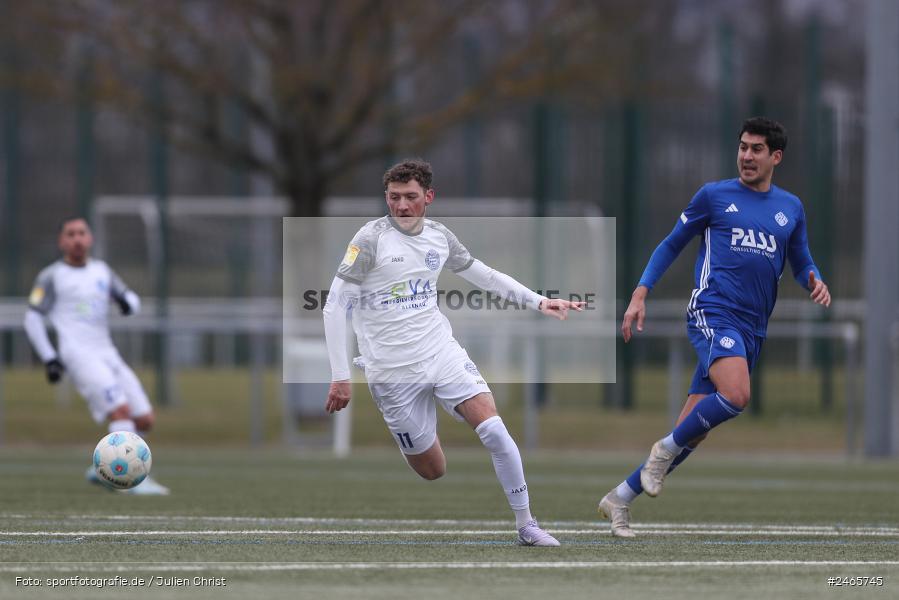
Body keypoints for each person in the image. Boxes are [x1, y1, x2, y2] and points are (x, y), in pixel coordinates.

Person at [322, 159, 583, 546]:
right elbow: (334, 306)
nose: (402, 205)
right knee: (433, 469)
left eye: (411, 197)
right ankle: (422, 428)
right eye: (394, 197)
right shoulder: (370, 240)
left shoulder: (439, 237)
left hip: (440, 352)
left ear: (428, 196)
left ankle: (526, 524)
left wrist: (539, 301)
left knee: (494, 429)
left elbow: (485, 275)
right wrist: (340, 376)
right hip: (391, 371)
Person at [598, 117, 831, 537]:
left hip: (753, 328)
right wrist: (640, 292)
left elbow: (801, 260)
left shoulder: (791, 208)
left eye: (757, 149)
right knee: (737, 394)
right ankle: (661, 451)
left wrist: (814, 280)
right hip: (714, 311)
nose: (747, 156)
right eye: (743, 147)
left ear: (776, 157)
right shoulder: (714, 196)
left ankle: (620, 497)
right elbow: (671, 243)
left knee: (693, 431)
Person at [24, 217, 170, 495]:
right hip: (78, 354)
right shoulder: (51, 276)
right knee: (120, 411)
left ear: (90, 239)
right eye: (71, 234)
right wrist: (49, 358)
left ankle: (102, 467)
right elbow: (32, 318)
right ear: (62, 241)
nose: (77, 239)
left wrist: (128, 304)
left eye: (82, 233)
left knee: (145, 419)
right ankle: (125, 482)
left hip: (106, 352)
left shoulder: (102, 271)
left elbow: (131, 298)